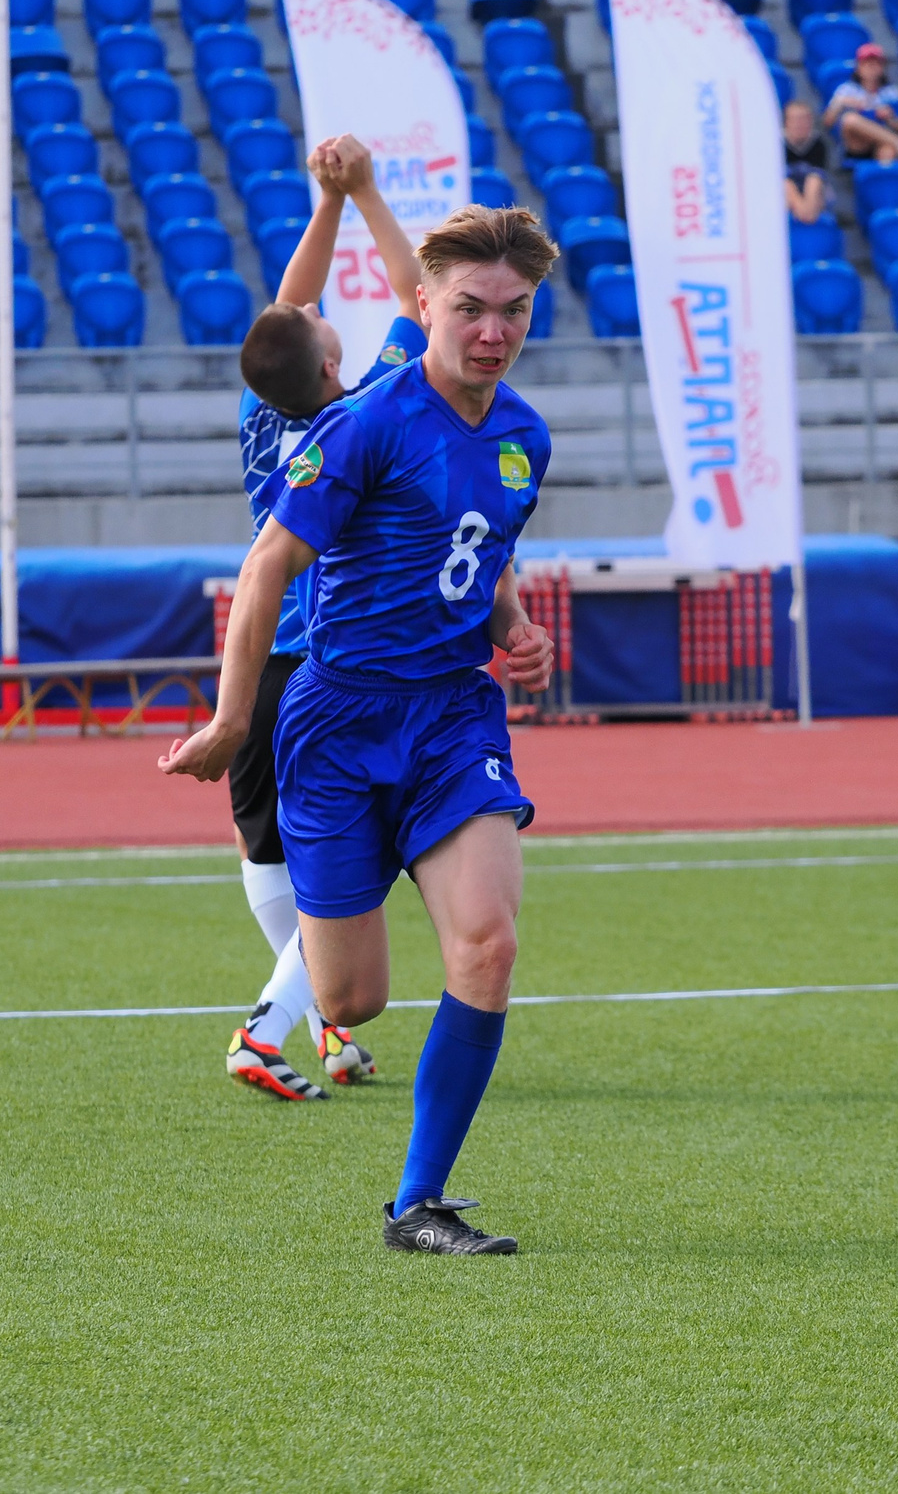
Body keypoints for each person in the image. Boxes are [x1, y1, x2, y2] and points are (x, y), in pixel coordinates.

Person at [161, 203, 561, 1258]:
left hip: (450, 716)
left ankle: (418, 1204)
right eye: (470, 308)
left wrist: (515, 627)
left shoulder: (524, 434)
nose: (492, 330)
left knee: (487, 943)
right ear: (422, 305)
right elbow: (266, 568)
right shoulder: (366, 424)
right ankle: (315, 1007)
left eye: (512, 311)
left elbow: (483, 551)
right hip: (336, 722)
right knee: (353, 997)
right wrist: (229, 719)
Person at [219, 134, 427, 1103]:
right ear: (332, 358)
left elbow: (287, 312)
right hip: (328, 661)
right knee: (353, 862)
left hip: (255, 665)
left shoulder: (265, 413)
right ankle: (267, 1028)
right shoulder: (369, 411)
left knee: (265, 850)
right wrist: (368, 196)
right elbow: (418, 293)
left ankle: (329, 1026)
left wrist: (325, 202)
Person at [824, 43, 898, 164]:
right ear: (858, 67)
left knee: (888, 151)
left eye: (876, 64)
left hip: (881, 142)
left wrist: (889, 117)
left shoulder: (891, 92)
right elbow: (827, 122)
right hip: (856, 143)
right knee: (850, 119)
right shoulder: (846, 90)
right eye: (867, 64)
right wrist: (840, 102)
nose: (871, 68)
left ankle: (883, 179)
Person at [784, 99, 833, 224]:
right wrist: (799, 204)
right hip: (786, 194)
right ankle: (804, 215)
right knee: (786, 184)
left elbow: (818, 176)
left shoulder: (818, 144)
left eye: (804, 119)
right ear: (786, 122)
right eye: (795, 119)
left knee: (814, 181)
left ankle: (806, 215)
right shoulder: (776, 144)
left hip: (814, 195)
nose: (800, 124)